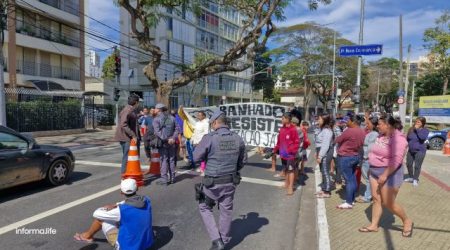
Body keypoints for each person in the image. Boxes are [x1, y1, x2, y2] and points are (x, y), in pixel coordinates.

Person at [193, 110, 247, 250]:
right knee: (226, 210)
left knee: (204, 207)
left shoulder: (210, 137)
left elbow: (195, 157)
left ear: (216, 122)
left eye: (212, 123)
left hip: (212, 182)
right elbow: (243, 161)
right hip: (230, 181)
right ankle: (224, 239)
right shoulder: (237, 138)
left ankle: (217, 240)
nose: (211, 125)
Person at [359, 115, 413, 237]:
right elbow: (375, 152)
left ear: (388, 125)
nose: (377, 126)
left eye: (379, 124)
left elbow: (396, 160)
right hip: (375, 171)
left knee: (389, 202)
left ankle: (406, 220)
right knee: (376, 199)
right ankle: (374, 225)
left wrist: (384, 175)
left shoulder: (399, 139)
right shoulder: (381, 135)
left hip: (390, 174)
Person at [74, 179, 153, 249]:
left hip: (127, 247)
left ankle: (87, 236)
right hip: (146, 244)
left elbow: (96, 213)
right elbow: (129, 202)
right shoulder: (146, 200)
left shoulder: (121, 210)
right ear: (137, 188)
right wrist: (116, 204)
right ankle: (88, 235)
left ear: (121, 192)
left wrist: (105, 208)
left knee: (101, 220)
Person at [335, 113, 366, 209]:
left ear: (353, 121)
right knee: (352, 179)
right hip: (355, 155)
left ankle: (348, 202)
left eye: (348, 120)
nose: (346, 122)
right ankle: (351, 200)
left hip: (346, 157)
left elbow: (338, 140)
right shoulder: (362, 131)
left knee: (348, 180)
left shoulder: (349, 131)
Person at [153, 103, 180, 186]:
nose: (154, 110)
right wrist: (173, 138)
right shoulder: (172, 118)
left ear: (159, 109)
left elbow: (158, 132)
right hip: (172, 142)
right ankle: (172, 178)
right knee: (171, 160)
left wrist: (166, 139)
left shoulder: (156, 119)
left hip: (163, 142)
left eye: (155, 108)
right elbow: (177, 128)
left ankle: (164, 180)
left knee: (164, 160)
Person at [273, 112, 300, 196]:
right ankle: (286, 184)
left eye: (283, 118)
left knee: (291, 170)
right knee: (285, 170)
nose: (282, 120)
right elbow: (279, 141)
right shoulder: (282, 129)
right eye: (282, 118)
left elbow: (297, 142)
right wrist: (275, 149)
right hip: (283, 154)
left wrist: (291, 150)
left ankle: (290, 187)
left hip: (290, 155)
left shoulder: (293, 129)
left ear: (288, 119)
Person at [114, 94, 141, 175]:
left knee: (129, 156)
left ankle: (128, 173)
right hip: (126, 138)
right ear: (136, 102)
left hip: (127, 137)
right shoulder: (127, 110)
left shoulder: (130, 110)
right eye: (138, 103)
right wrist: (133, 135)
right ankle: (124, 175)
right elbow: (124, 124)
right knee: (127, 157)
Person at [356, 116, 379, 203]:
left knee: (368, 179)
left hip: (367, 159)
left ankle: (367, 196)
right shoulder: (372, 133)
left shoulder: (373, 134)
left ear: (373, 125)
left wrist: (365, 157)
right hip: (367, 158)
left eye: (368, 123)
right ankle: (370, 195)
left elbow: (370, 148)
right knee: (369, 179)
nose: (366, 125)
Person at [405, 117, 429, 187]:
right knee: (409, 164)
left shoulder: (425, 130)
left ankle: (415, 179)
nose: (417, 123)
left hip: (420, 151)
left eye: (419, 122)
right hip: (410, 150)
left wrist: (417, 130)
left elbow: (422, 138)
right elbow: (408, 138)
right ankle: (411, 177)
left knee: (417, 166)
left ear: (422, 123)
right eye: (416, 121)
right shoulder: (411, 129)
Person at [315, 114, 334, 198]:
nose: (318, 120)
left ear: (324, 120)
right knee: (322, 170)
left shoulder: (327, 131)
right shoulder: (322, 129)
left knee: (325, 171)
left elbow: (325, 145)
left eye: (319, 119)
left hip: (325, 152)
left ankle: (327, 191)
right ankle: (323, 188)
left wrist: (320, 156)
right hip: (321, 151)